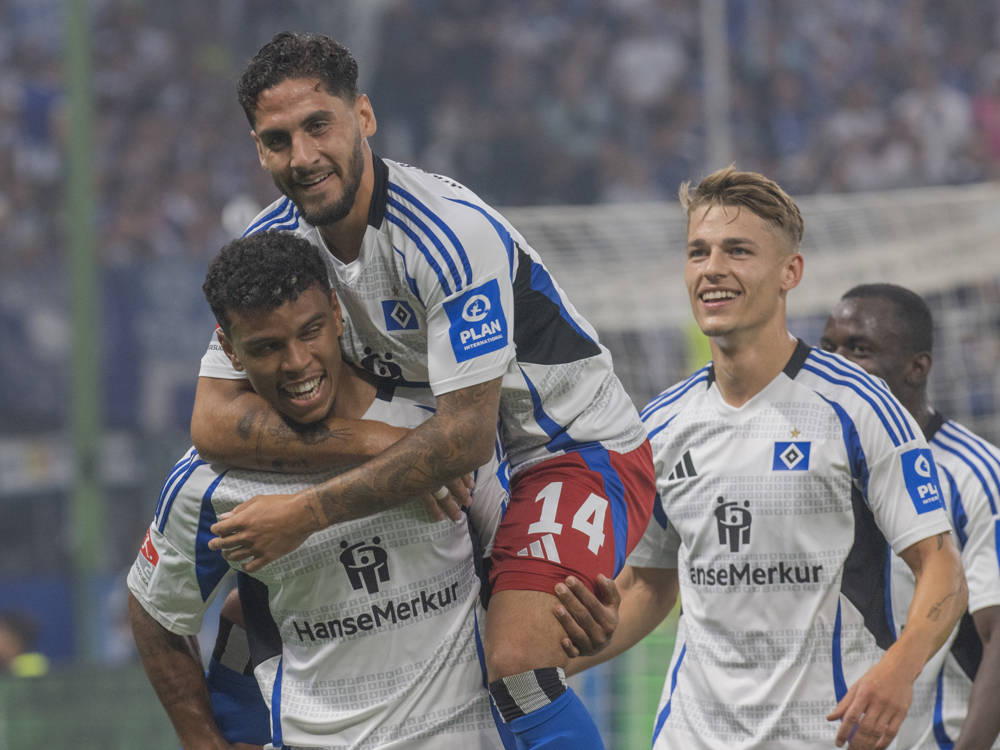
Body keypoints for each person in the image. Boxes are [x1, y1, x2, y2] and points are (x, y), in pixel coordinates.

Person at [192, 31, 656, 748]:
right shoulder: (273, 250)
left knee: (517, 658)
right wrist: (388, 443)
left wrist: (309, 512)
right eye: (278, 139)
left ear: (364, 118)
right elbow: (214, 419)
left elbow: (465, 437)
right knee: (242, 632)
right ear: (259, 151)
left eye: (320, 126)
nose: (304, 157)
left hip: (564, 450)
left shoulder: (447, 232)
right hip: (434, 457)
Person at [550, 166, 967, 750]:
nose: (712, 269)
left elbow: (941, 566)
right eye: (698, 252)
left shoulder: (858, 407)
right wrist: (549, 663)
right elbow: (650, 583)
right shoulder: (661, 424)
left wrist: (899, 669)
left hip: (824, 734)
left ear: (789, 272)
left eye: (738, 250)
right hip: (691, 735)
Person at [128, 231, 511, 748]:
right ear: (229, 350)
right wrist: (203, 739)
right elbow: (155, 612)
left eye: (309, 332)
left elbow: (510, 577)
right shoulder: (207, 482)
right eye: (266, 347)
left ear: (336, 313)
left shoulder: (441, 436)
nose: (297, 363)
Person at [821, 283, 1000, 749]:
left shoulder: (975, 475)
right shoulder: (810, 465)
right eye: (827, 348)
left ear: (916, 367)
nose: (836, 364)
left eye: (858, 348)